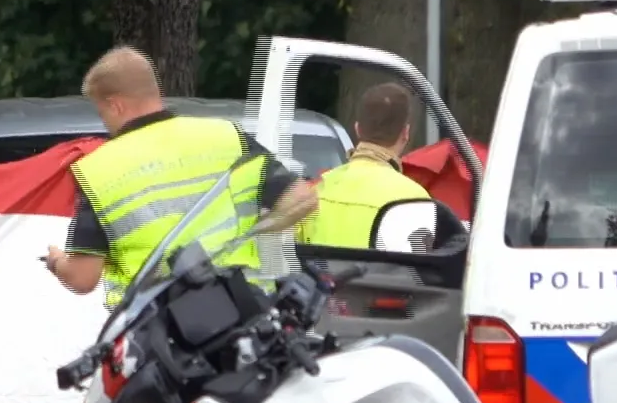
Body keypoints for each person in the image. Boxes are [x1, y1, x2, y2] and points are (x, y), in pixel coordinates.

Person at [44, 47, 317, 305]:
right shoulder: (225, 136)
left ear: (115, 105)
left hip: (160, 329)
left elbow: (82, 279)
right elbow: (302, 200)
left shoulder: (99, 169)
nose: (104, 121)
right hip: (245, 313)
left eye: (101, 112)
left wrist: (57, 262)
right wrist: (248, 234)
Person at [295, 82, 433, 250]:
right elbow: (420, 269)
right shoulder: (415, 198)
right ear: (405, 133)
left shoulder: (317, 192)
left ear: (358, 129)